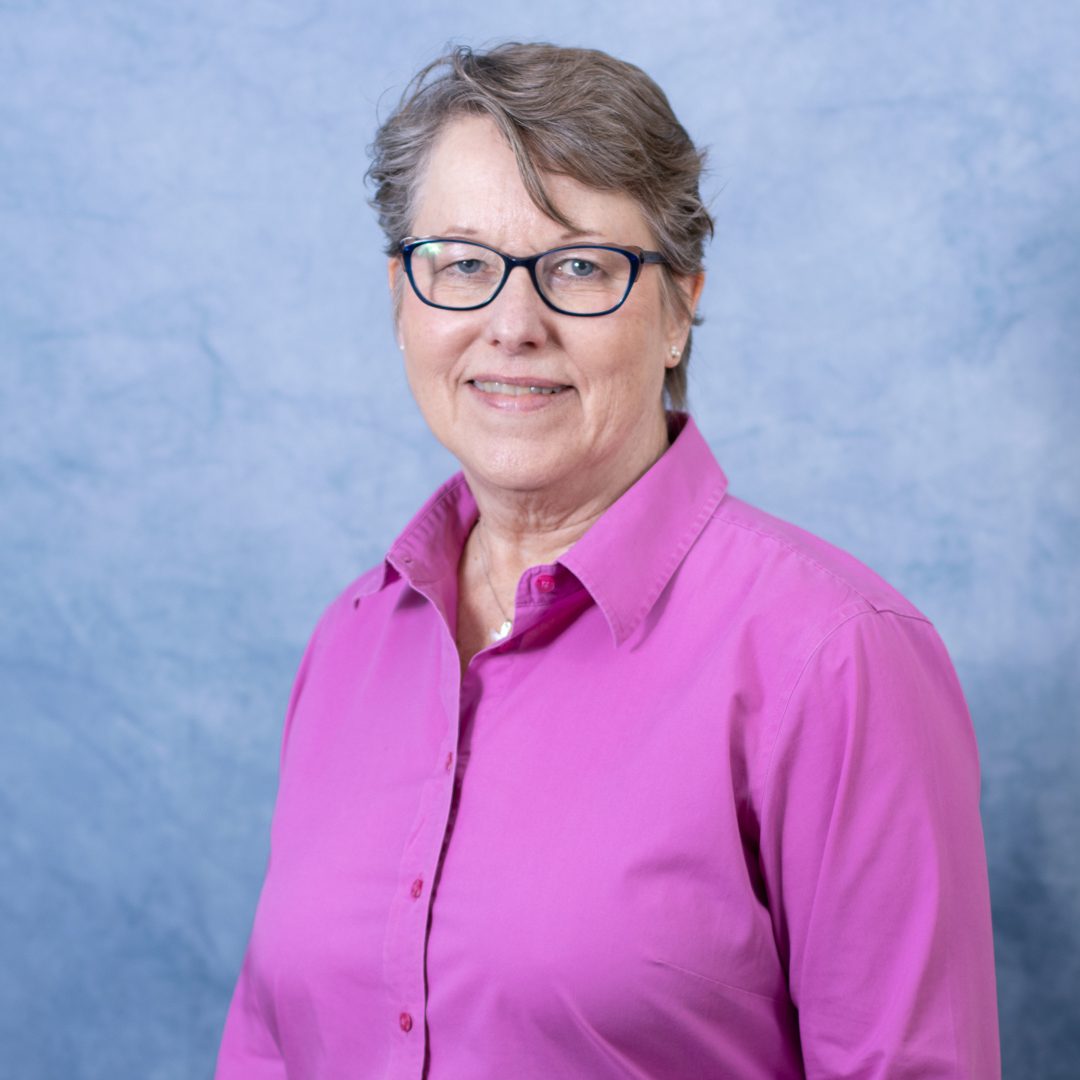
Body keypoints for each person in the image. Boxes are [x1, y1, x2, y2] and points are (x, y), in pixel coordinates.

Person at [215, 42, 1000, 1079]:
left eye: (579, 267)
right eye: (460, 263)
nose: (512, 324)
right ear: (403, 301)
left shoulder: (836, 661)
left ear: (679, 307)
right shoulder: (351, 643)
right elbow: (270, 1046)